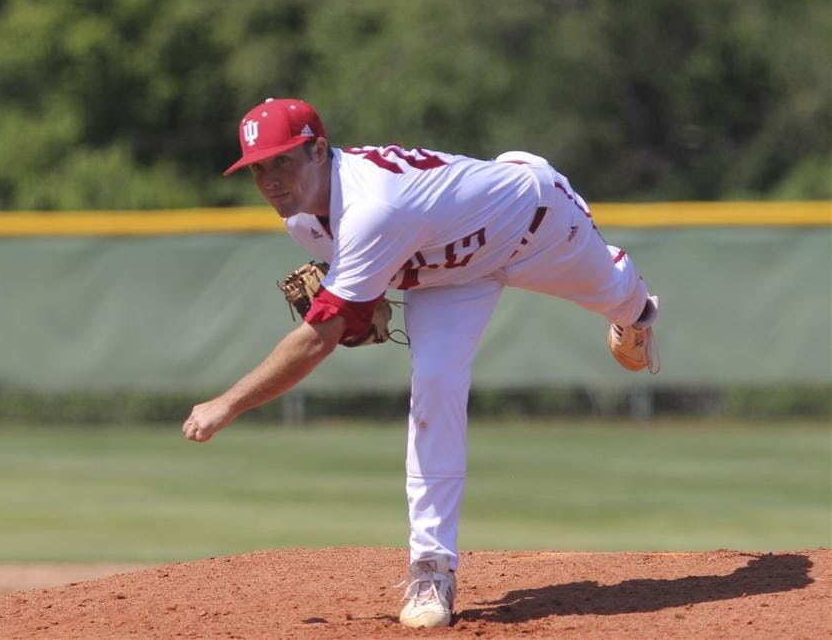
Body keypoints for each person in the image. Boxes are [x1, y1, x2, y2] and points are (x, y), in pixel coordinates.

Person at [182, 98, 660, 629]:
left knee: (621, 298)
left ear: (319, 150)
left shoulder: (374, 205)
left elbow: (317, 340)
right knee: (434, 382)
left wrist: (227, 404)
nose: (270, 180)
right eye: (257, 168)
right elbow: (369, 281)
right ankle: (432, 568)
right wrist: (368, 299)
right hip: (447, 276)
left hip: (532, 224)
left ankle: (634, 303)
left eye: (283, 161)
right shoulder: (304, 220)